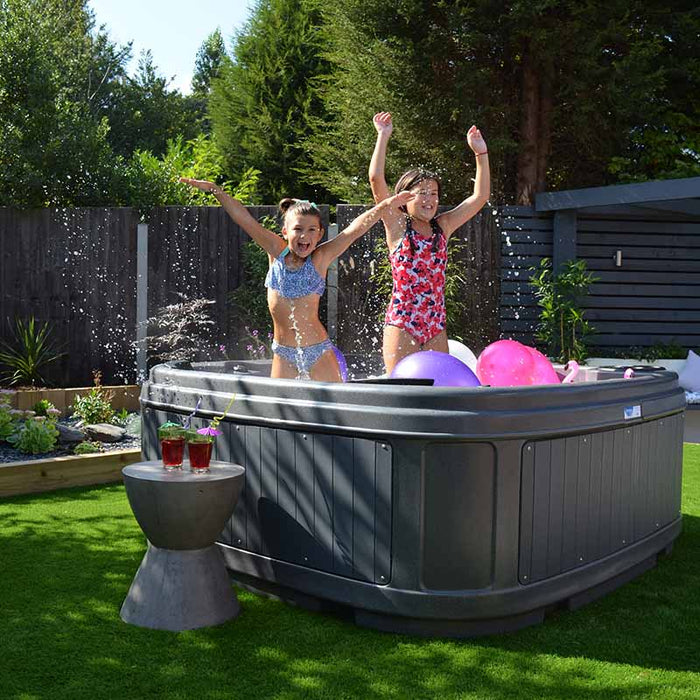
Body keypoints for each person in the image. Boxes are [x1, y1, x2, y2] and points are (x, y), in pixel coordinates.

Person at [179, 177, 414, 382]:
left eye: (312, 230)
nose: (305, 236)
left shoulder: (320, 258)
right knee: (280, 416)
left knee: (336, 411)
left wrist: (386, 204)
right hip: (283, 352)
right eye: (298, 229)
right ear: (285, 232)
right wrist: (215, 190)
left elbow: (355, 229)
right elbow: (244, 219)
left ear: (320, 234)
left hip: (318, 349)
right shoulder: (275, 252)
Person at [369, 112, 490, 374]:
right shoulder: (397, 224)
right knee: (402, 388)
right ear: (404, 197)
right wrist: (383, 136)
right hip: (403, 322)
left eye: (433, 193)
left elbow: (480, 197)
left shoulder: (442, 227)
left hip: (435, 323)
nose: (429, 199)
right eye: (421, 193)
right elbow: (376, 179)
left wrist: (481, 154)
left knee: (437, 389)